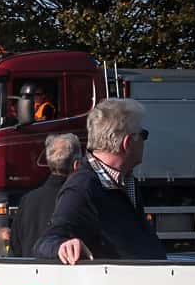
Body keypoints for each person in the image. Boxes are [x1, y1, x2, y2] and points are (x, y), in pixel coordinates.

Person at [35, 98, 165, 264]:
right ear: (127, 143)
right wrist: (62, 246)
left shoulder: (124, 180)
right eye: (143, 135)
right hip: (113, 281)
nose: (144, 141)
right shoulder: (82, 188)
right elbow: (46, 241)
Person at [14, 131, 80, 258]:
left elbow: (15, 250)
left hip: (28, 270)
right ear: (76, 165)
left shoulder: (27, 201)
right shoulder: (78, 200)